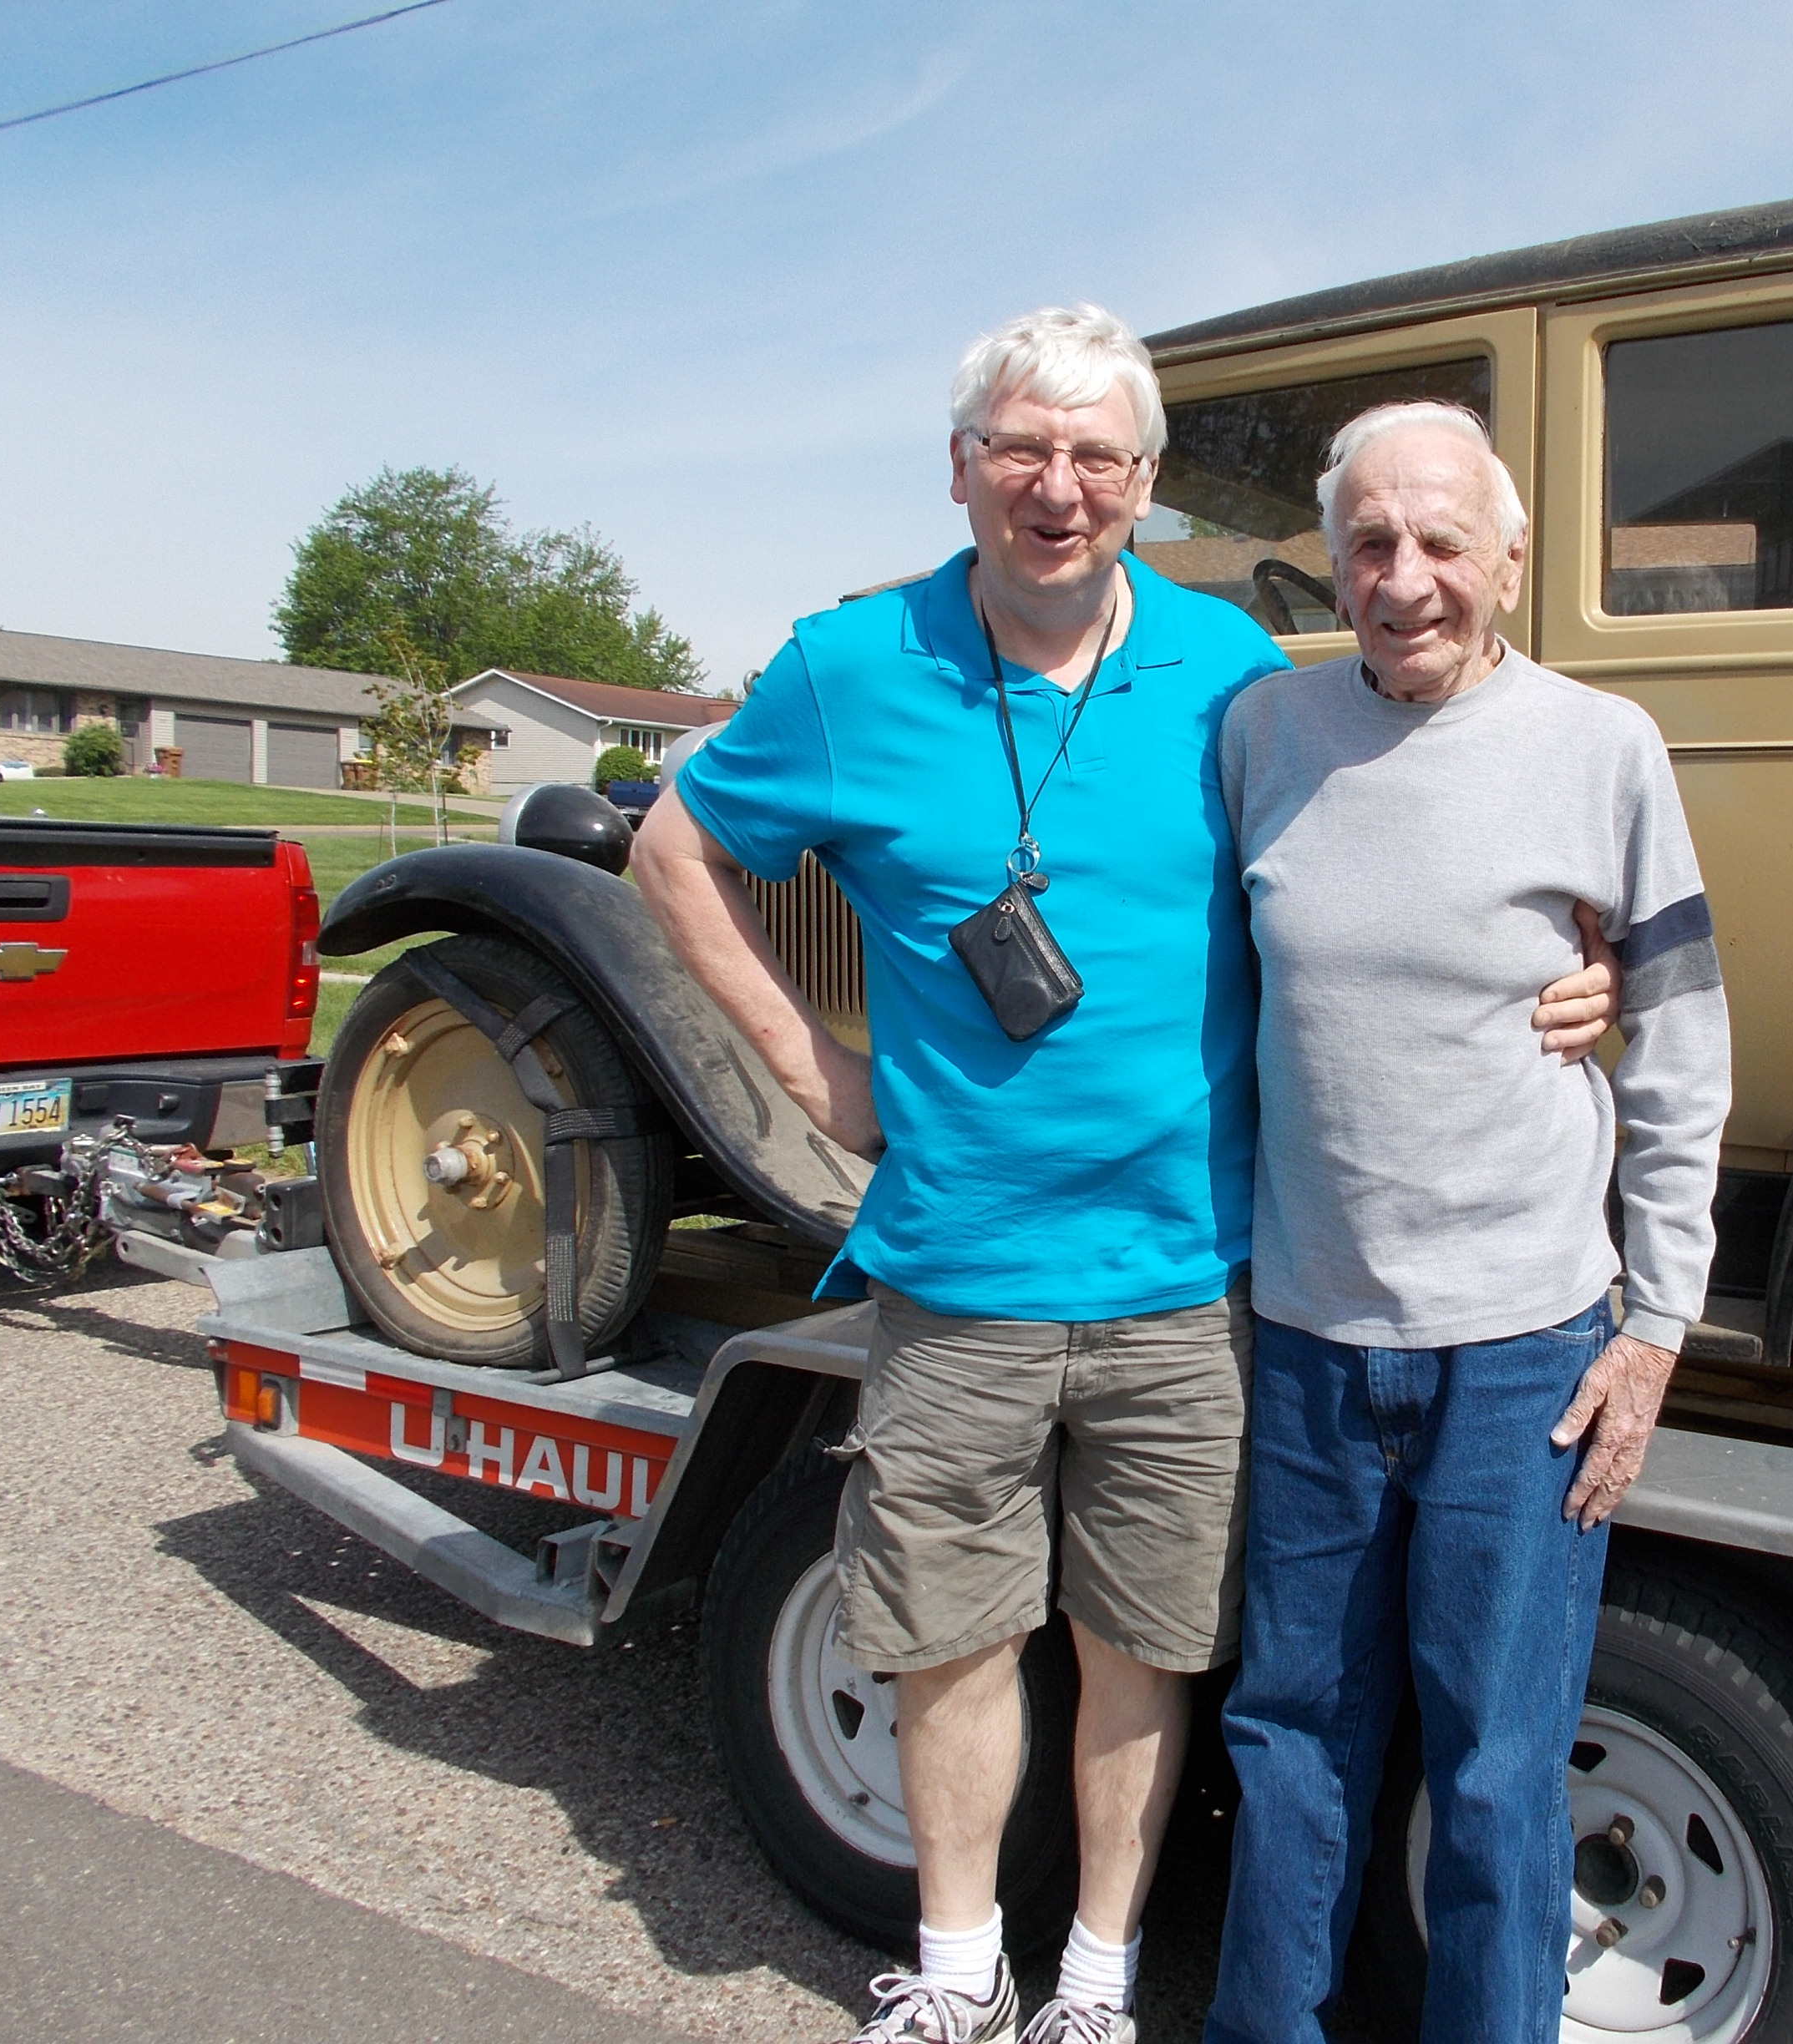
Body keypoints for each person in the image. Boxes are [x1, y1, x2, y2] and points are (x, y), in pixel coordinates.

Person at [630, 312, 1613, 2044]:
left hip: (1189, 1269)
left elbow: (1409, 799)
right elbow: (673, 845)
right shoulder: (851, 668)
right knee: (948, 1638)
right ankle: (955, 1976)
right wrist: (813, 1070)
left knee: (1142, 1645)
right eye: (1021, 447)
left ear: (1146, 487)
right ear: (963, 467)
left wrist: (1569, 953)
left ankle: (1093, 1981)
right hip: (956, 1263)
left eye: (1098, 458)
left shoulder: (1234, 674)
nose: (1057, 487)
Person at [1202, 402, 1734, 2044]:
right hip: (1307, 1343)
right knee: (1291, 1742)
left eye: (1443, 543)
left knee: (1499, 1766)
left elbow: (1686, 1046)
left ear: (1510, 557)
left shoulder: (1603, 749)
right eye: (1370, 543)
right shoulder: (1263, 737)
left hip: (1524, 1357)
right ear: (1333, 562)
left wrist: (1654, 1332)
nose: (1406, 579)